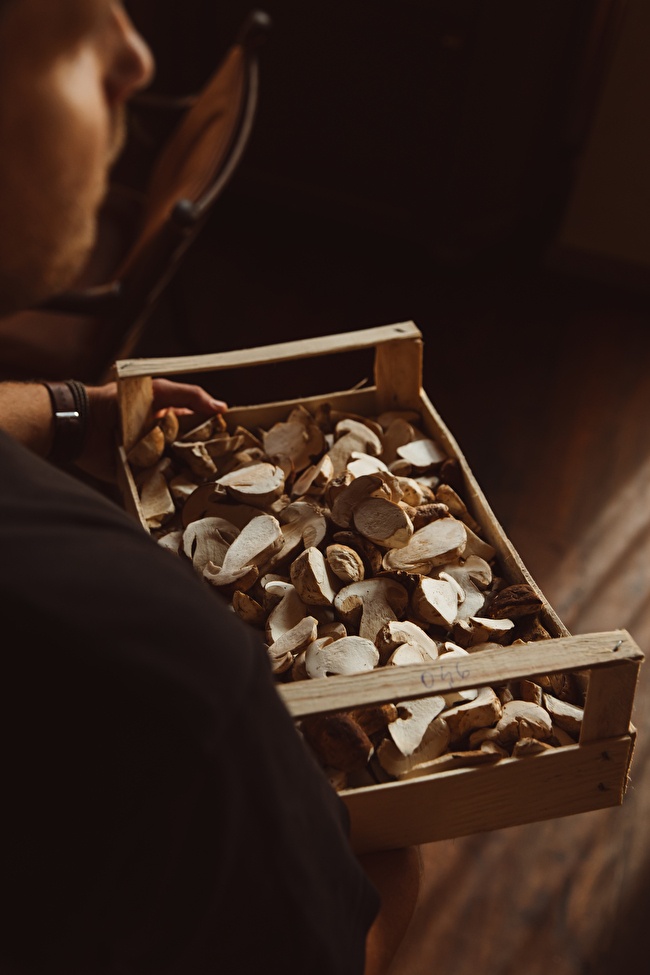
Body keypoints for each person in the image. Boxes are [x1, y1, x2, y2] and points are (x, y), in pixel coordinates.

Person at [0, 3, 421, 973]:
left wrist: (73, 409)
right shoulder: (170, 689)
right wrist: (395, 857)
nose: (136, 57)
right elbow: (334, 951)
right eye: (73, 24)